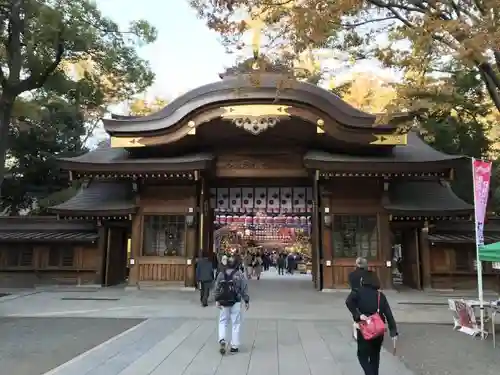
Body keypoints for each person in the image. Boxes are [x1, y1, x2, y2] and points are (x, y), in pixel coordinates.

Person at [346, 272, 398, 375]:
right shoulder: (380, 295)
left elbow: (348, 302)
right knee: (375, 355)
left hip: (364, 329)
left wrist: (358, 315)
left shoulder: (357, 292)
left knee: (362, 355)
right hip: (378, 330)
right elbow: (389, 314)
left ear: (363, 281)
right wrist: (393, 332)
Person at [214, 256, 250, 354]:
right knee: (236, 323)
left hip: (224, 301)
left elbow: (217, 287)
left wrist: (217, 299)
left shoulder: (221, 274)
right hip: (236, 301)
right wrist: (246, 300)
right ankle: (234, 345)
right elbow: (244, 288)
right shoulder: (239, 275)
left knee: (223, 321)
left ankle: (222, 339)